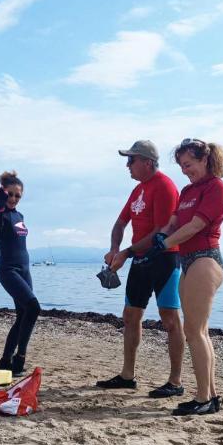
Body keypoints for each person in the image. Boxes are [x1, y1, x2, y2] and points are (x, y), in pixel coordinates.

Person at [96, 140, 185, 396]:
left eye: (131, 160)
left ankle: (175, 382)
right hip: (140, 259)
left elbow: (160, 231)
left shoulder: (165, 187)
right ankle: (127, 375)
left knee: (170, 319)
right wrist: (115, 248)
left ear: (147, 162)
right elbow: (120, 223)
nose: (127, 165)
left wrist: (126, 252)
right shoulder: (138, 190)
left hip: (165, 259)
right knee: (130, 315)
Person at [155, 138, 223, 416]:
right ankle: (209, 395)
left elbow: (196, 225)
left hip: (205, 258)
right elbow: (175, 221)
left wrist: (165, 244)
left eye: (189, 165)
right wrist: (160, 235)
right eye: (182, 167)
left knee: (194, 332)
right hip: (187, 261)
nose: (185, 171)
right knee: (199, 331)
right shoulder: (187, 190)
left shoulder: (217, 188)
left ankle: (202, 398)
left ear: (204, 160)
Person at [0, 171, 40, 376]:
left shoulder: (20, 216)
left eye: (17, 196)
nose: (13, 199)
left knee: (23, 315)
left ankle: (5, 361)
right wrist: (0, 206)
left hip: (24, 270)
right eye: (10, 194)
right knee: (34, 308)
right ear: (4, 194)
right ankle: (20, 358)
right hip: (8, 270)